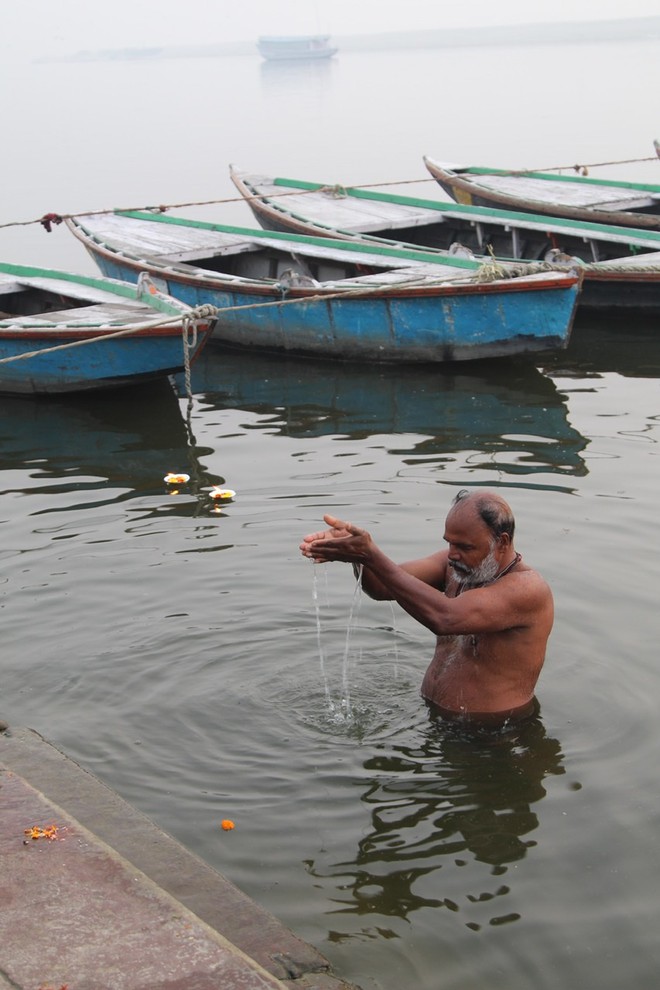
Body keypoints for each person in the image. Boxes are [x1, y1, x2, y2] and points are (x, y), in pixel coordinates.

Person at [300, 489, 553, 728]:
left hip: (493, 733)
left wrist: (371, 555)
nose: (452, 555)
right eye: (449, 543)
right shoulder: (454, 565)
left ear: (502, 542)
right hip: (435, 717)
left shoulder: (527, 589)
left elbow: (445, 618)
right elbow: (381, 587)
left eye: (464, 547)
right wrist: (355, 555)